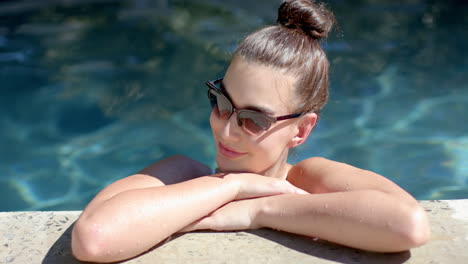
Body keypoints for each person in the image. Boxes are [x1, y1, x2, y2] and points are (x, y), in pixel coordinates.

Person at [71, 0, 430, 262]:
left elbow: (408, 226)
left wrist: (256, 212)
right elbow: (94, 239)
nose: (226, 130)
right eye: (220, 102)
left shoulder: (308, 179)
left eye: (253, 119)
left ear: (301, 130)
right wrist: (233, 186)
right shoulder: (180, 175)